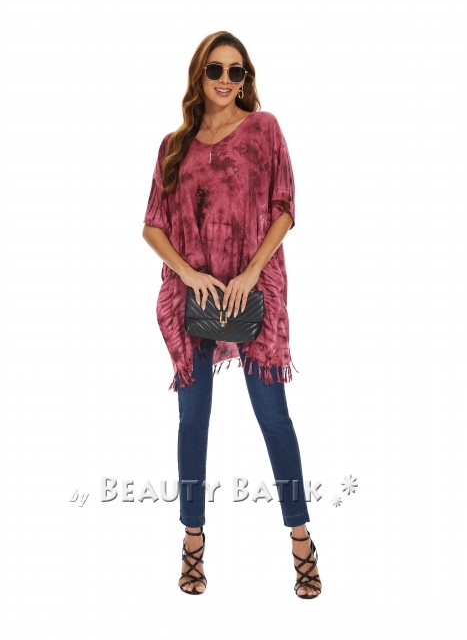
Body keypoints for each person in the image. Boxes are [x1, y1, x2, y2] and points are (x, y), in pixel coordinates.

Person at [142, 31, 322, 599]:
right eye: (216, 69)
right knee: (192, 420)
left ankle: (301, 539)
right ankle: (192, 540)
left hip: (253, 293)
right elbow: (151, 225)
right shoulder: (174, 145)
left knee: (274, 417)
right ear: (199, 74)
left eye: (236, 71)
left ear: (246, 79)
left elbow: (285, 209)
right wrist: (190, 274)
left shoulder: (264, 130)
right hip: (193, 300)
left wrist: (248, 274)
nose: (226, 80)